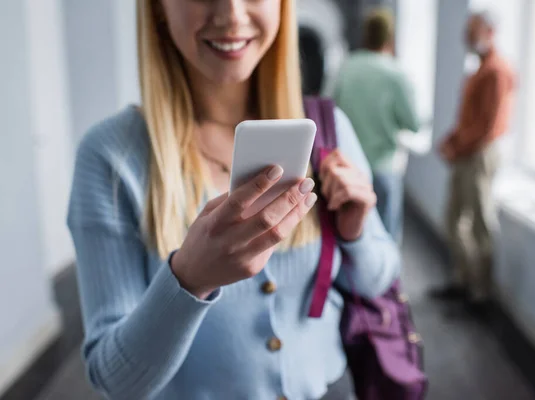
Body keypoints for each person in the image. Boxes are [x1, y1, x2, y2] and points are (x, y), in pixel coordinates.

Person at [66, 0, 400, 399]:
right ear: (157, 8)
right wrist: (189, 279)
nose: (231, 14)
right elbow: (115, 379)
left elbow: (379, 280)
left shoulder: (327, 131)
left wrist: (355, 234)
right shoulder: (111, 157)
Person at [432, 11, 516, 309]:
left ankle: (480, 291)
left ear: (490, 32)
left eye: (473, 31)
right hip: (467, 152)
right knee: (454, 218)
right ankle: (462, 279)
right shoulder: (480, 69)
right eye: (467, 30)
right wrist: (451, 140)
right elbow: (469, 119)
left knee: (480, 220)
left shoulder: (497, 71)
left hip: (479, 155)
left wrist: (459, 146)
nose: (467, 37)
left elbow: (488, 126)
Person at [333, 8, 420, 242]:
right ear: (390, 37)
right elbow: (413, 124)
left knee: (351, 235)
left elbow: (328, 110)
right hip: (384, 166)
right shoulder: (396, 74)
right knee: (386, 238)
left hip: (349, 165)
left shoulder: (347, 67)